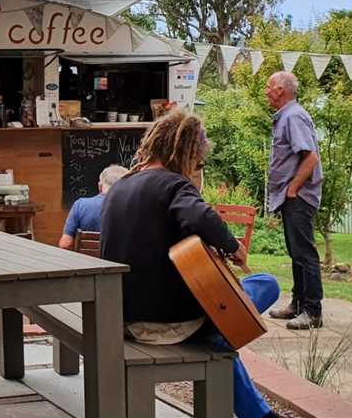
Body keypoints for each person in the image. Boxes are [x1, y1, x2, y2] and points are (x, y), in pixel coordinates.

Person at [101, 108, 281, 418]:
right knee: (267, 285)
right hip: (171, 323)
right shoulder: (174, 186)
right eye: (197, 160)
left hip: (123, 317)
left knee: (229, 321)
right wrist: (232, 246)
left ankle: (261, 415)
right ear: (186, 152)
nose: (196, 167)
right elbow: (200, 216)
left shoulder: (119, 187)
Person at [265, 71, 324, 329]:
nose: (266, 91)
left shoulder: (293, 116)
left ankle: (312, 312)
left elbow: (311, 158)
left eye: (269, 86)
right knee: (296, 253)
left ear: (281, 90)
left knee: (304, 254)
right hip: (293, 197)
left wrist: (292, 189)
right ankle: (298, 304)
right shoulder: (287, 116)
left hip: (299, 197)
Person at [58, 164, 127, 250]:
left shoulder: (80, 205)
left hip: (87, 262)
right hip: (122, 262)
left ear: (100, 186)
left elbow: (65, 245)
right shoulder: (133, 207)